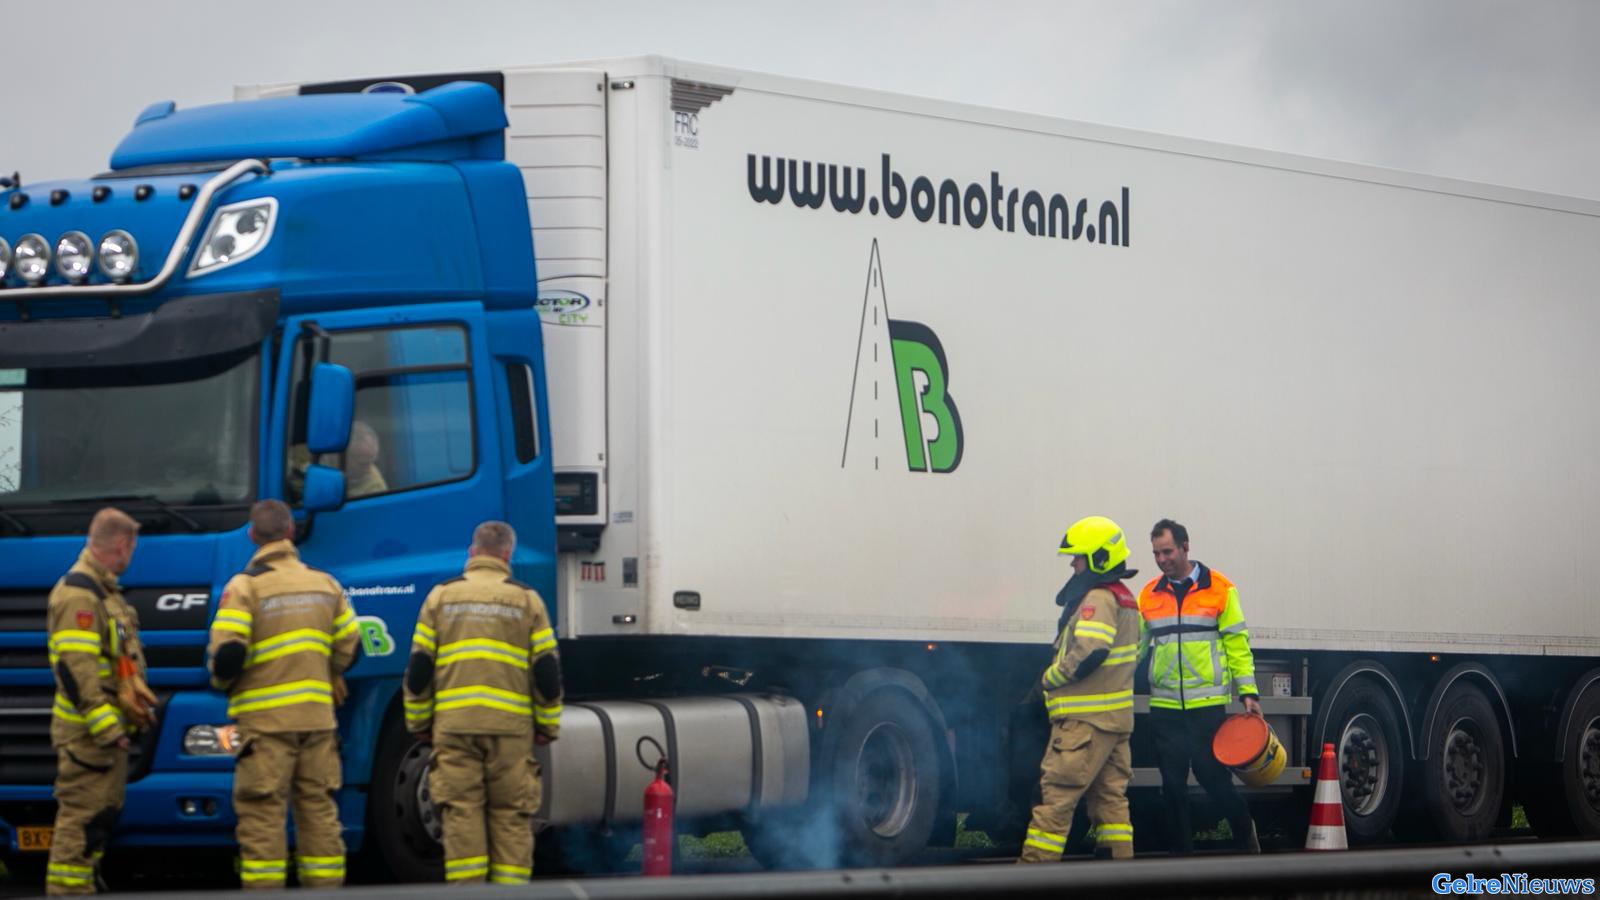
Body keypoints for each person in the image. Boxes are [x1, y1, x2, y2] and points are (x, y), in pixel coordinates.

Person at [207, 500, 359, 889]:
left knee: (262, 817)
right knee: (320, 812)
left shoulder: (244, 587)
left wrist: (225, 686)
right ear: (290, 532)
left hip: (264, 728)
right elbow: (350, 645)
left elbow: (228, 655)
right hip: (317, 722)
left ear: (252, 536)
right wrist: (326, 673)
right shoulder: (325, 584)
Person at [403, 521, 563, 886]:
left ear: (472, 552)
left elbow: (419, 671)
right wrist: (547, 725)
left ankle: (467, 895)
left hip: (455, 728)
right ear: (507, 554)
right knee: (511, 817)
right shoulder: (526, 600)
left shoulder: (441, 597)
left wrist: (419, 724)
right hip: (510, 731)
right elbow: (547, 676)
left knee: (460, 814)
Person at [45, 508, 157, 895]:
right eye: (132, 548)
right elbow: (76, 671)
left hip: (103, 736)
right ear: (122, 545)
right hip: (88, 736)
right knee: (81, 821)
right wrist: (105, 725)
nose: (132, 557)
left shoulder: (103, 591)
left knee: (98, 824)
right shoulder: (79, 594)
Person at [1018, 516, 1142, 863]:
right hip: (1114, 723)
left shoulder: (1099, 598)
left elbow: (1090, 651)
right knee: (1111, 806)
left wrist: (1050, 678)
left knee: (1055, 802)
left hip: (1084, 725)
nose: (1073, 564)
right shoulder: (1125, 599)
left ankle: (1028, 878)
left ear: (1099, 558)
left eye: (1078, 557)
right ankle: (1119, 879)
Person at [1138, 517, 1261, 854]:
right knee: (1172, 786)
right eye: (1156, 554)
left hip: (1206, 705)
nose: (1162, 560)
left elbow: (1237, 644)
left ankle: (1243, 830)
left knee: (1212, 777)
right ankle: (1183, 860)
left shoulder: (1220, 589)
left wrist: (1248, 691)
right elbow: (1135, 648)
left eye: (1167, 552)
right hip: (1164, 707)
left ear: (1185, 546)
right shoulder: (1148, 595)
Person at [342, 421, 388, 498]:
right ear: (345, 455)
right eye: (362, 462)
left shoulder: (375, 487)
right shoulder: (322, 462)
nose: (369, 467)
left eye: (372, 460)